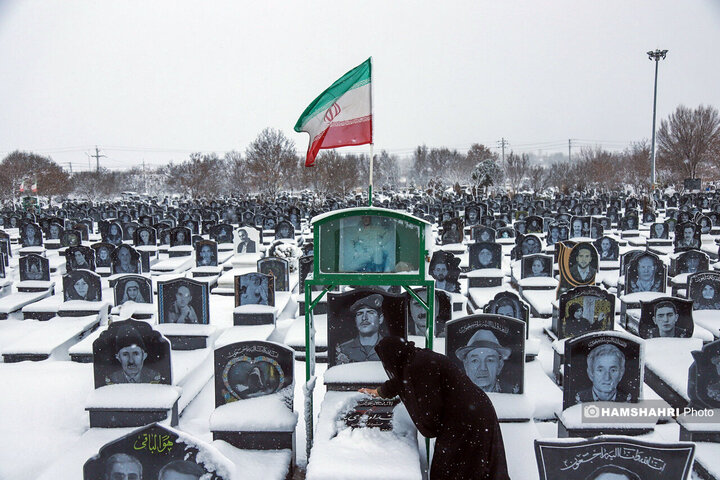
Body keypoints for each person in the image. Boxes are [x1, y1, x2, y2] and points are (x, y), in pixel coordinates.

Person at [360, 337, 510, 480]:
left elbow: (430, 414)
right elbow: (400, 381)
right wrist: (379, 392)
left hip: (466, 419)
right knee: (469, 465)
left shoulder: (418, 366)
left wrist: (426, 423)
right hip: (471, 413)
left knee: (458, 467)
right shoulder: (412, 358)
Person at [455, 329, 516, 393]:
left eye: (490, 360)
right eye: (475, 360)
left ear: (500, 366)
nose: (483, 368)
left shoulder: (511, 393)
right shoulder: (457, 393)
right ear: (466, 366)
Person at [336, 294, 386, 363]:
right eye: (360, 314)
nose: (364, 318)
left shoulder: (391, 348)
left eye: (370, 313)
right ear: (355, 320)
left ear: (380, 319)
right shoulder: (344, 349)